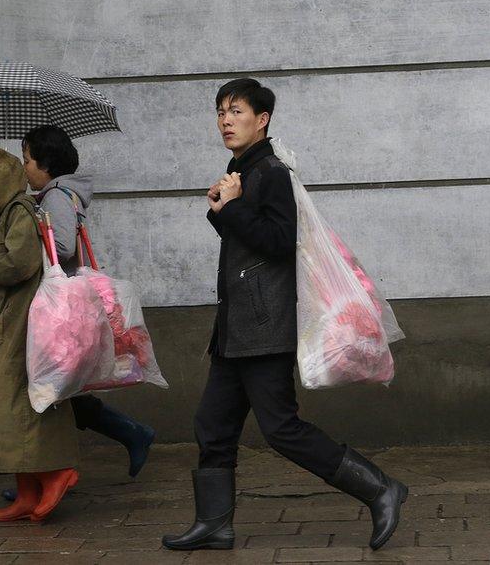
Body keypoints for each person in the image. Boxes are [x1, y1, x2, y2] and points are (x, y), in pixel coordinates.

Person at [162, 79, 406, 552]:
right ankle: (215, 524)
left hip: (263, 329)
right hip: (235, 331)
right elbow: (251, 242)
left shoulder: (269, 171)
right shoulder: (244, 171)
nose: (225, 120)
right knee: (213, 425)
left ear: (262, 119)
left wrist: (231, 208)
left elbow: (278, 242)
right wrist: (223, 209)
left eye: (236, 111)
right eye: (220, 112)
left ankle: (380, 489)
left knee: (281, 430)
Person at [0, 125, 156, 502]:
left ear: (46, 163)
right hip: (65, 306)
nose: (24, 168)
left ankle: (51, 472)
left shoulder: (55, 196)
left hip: (59, 308)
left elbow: (64, 246)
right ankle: (124, 435)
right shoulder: (58, 193)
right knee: (58, 390)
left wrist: (27, 230)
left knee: (46, 388)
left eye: (27, 160)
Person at [0, 143, 79, 522]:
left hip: (18, 323)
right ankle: (27, 491)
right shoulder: (2, 215)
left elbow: (17, 266)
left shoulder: (20, 212)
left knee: (4, 407)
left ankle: (56, 473)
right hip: (3, 321)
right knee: (11, 405)